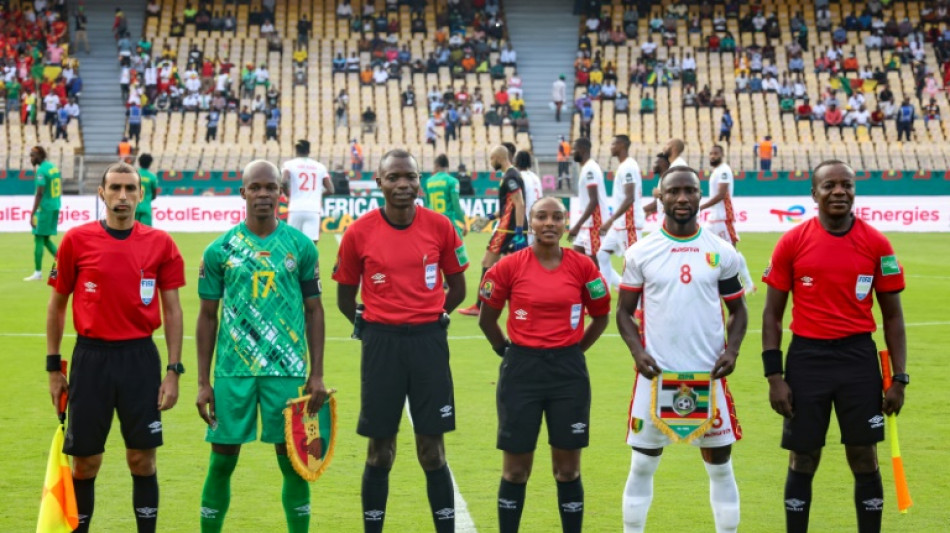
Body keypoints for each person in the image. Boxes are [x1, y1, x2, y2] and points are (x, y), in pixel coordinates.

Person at [761, 160, 907, 533]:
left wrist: (899, 379)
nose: (838, 191)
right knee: (804, 456)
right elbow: (772, 315)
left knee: (863, 455)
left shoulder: (877, 243)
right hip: (807, 358)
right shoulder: (792, 242)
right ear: (814, 193)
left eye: (846, 185)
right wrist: (774, 376)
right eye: (829, 185)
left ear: (855, 190)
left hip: (858, 359)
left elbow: (892, 317)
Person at [332, 149, 468, 533]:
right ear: (379, 183)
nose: (403, 185)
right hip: (382, 346)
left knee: (432, 450)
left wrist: (435, 314)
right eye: (394, 177)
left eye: (410, 176)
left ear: (419, 181)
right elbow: (345, 296)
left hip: (428, 343)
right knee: (380, 452)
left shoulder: (440, 226)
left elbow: (457, 287)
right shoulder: (359, 232)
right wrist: (371, 326)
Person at [46, 162, 185, 533]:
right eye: (115, 188)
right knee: (85, 463)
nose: (122, 196)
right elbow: (57, 306)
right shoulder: (76, 240)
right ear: (102, 193)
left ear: (142, 195)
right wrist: (53, 368)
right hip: (90, 359)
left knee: (142, 460)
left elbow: (172, 311)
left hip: (140, 359)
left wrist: (174, 371)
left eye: (130, 189)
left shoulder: (161, 244)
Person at [196, 160, 327, 533]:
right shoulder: (219, 250)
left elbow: (315, 311)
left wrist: (315, 374)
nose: (264, 194)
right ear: (243, 193)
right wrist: (203, 382)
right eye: (256, 187)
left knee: (294, 463)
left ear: (281, 193)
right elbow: (207, 317)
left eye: (271, 187)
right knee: (221, 461)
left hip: (285, 371)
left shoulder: (300, 247)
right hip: (232, 370)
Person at [617, 165, 748, 533]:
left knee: (721, 466)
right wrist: (637, 352)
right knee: (642, 464)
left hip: (709, 377)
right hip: (657, 378)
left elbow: (739, 311)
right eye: (673, 191)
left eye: (689, 190)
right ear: (660, 196)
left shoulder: (721, 251)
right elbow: (624, 314)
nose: (682, 198)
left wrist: (732, 351)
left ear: (698, 195)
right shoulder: (641, 252)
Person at [477, 197, 610, 533]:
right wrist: (504, 351)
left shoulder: (583, 267)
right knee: (516, 470)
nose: (549, 223)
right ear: (530, 223)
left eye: (556, 217)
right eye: (541, 216)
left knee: (567, 470)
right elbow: (486, 318)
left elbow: (602, 315)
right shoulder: (508, 266)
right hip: (521, 371)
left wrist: (575, 351)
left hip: (568, 374)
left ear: (565, 223)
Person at [458, 146, 528, 316]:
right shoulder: (511, 176)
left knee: (487, 264)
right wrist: (489, 217)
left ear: (499, 157)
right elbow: (508, 206)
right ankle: (499, 302)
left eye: (492, 159)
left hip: (507, 229)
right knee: (514, 269)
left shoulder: (511, 176)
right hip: (509, 227)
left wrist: (518, 231)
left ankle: (481, 305)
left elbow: (519, 203)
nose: (491, 163)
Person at [700, 145, 756, 294]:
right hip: (713, 218)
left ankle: (749, 284)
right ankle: (713, 281)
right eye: (711, 153)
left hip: (723, 217)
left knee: (732, 251)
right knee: (705, 246)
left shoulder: (724, 170)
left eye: (715, 153)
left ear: (722, 155)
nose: (712, 156)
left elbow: (722, 194)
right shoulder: (716, 171)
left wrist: (701, 206)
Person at [598, 135, 643, 290]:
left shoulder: (628, 166)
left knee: (633, 263)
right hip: (619, 225)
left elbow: (630, 197)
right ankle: (611, 290)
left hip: (628, 224)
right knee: (602, 255)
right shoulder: (624, 166)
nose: (611, 147)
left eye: (613, 143)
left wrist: (610, 221)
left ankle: (638, 303)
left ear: (622, 145)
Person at [282, 140, 334, 245]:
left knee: (292, 245)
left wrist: (288, 194)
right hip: (313, 209)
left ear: (296, 150)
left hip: (295, 208)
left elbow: (283, 181)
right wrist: (317, 195)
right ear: (309, 150)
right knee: (312, 248)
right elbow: (331, 190)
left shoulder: (289, 165)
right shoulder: (320, 167)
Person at [567, 137, 609, 262]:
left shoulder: (590, 168)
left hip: (594, 223)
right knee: (576, 260)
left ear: (583, 149)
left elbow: (593, 200)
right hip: (587, 224)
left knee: (594, 264)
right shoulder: (587, 168)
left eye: (574, 149)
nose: (572, 152)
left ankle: (604, 282)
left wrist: (577, 225)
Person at [26, 146, 61, 281]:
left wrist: (32, 213)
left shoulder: (41, 170)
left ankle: (38, 273)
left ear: (40, 155)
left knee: (39, 238)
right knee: (46, 239)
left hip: (45, 208)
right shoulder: (53, 167)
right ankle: (59, 269)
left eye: (33, 155)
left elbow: (39, 193)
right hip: (55, 206)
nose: (31, 158)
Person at [423, 154, 467, 238]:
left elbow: (426, 206)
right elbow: (456, 204)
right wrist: (463, 222)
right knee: (459, 250)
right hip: (448, 223)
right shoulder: (453, 181)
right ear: (448, 166)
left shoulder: (428, 182)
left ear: (436, 166)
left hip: (433, 226)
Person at [514, 150, 542, 243]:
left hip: (526, 219)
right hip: (538, 218)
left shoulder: (519, 176)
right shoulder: (535, 177)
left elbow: (520, 200)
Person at [136, 153, 159, 226]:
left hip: (133, 208)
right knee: (147, 233)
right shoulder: (152, 177)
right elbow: (154, 194)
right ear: (150, 164)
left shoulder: (133, 174)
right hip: (146, 208)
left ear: (139, 163)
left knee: (131, 233)